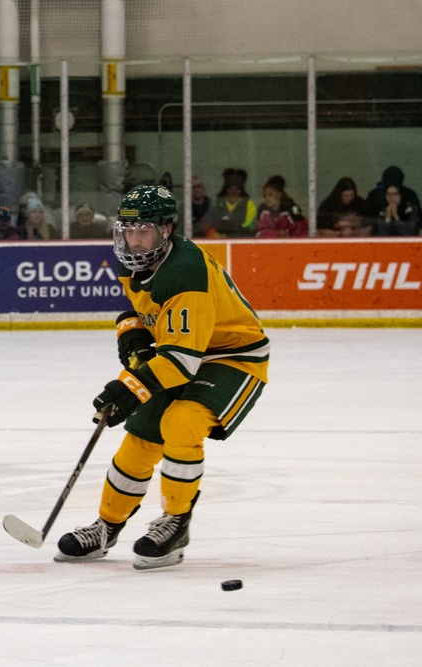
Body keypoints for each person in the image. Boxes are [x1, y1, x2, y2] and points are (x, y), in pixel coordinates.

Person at [55, 184, 269, 570]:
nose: (133, 242)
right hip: (184, 350)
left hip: (233, 356)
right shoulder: (132, 260)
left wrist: (127, 389)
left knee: (181, 422)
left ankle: (176, 521)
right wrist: (132, 331)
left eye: (144, 231)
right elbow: (141, 307)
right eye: (127, 231)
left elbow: (181, 362)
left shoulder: (187, 273)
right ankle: (106, 527)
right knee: (140, 438)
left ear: (167, 230)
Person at [201, 168, 256, 238]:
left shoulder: (249, 204)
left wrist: (231, 231)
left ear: (241, 190)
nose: (234, 192)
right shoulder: (216, 203)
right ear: (225, 189)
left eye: (237, 189)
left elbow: (250, 229)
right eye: (230, 188)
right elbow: (207, 224)